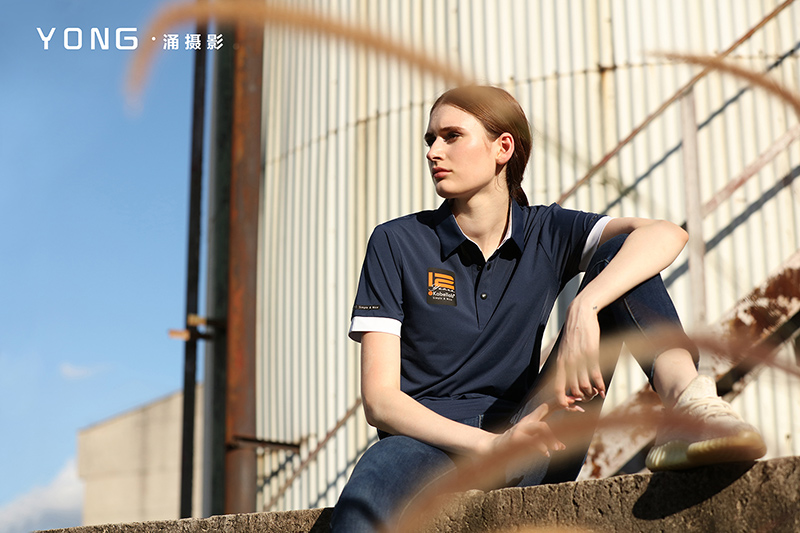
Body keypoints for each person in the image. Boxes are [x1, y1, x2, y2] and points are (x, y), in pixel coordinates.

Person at [330, 85, 766, 532]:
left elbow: (666, 233)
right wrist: (489, 445)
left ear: (503, 148)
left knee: (622, 255)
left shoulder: (546, 229)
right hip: (424, 444)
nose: (433, 152)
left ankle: (689, 404)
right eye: (430, 139)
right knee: (364, 498)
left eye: (451, 136)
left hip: (533, 437)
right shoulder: (397, 241)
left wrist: (585, 306)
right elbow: (381, 401)